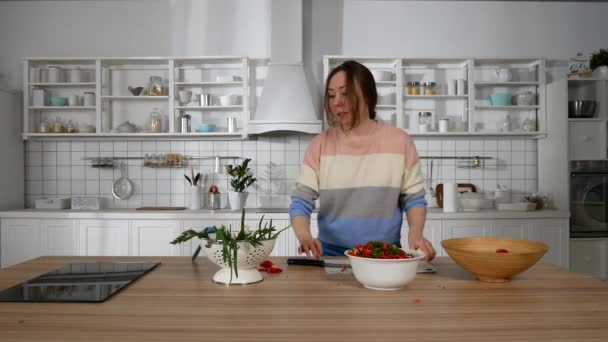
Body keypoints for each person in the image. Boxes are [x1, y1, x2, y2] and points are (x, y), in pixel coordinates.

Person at [289, 60, 436, 261]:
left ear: (367, 94)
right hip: (332, 255)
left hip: (384, 255)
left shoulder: (399, 141)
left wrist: (416, 234)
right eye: (331, 95)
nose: (336, 102)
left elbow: (414, 199)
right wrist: (304, 235)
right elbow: (301, 200)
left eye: (345, 93)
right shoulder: (320, 144)